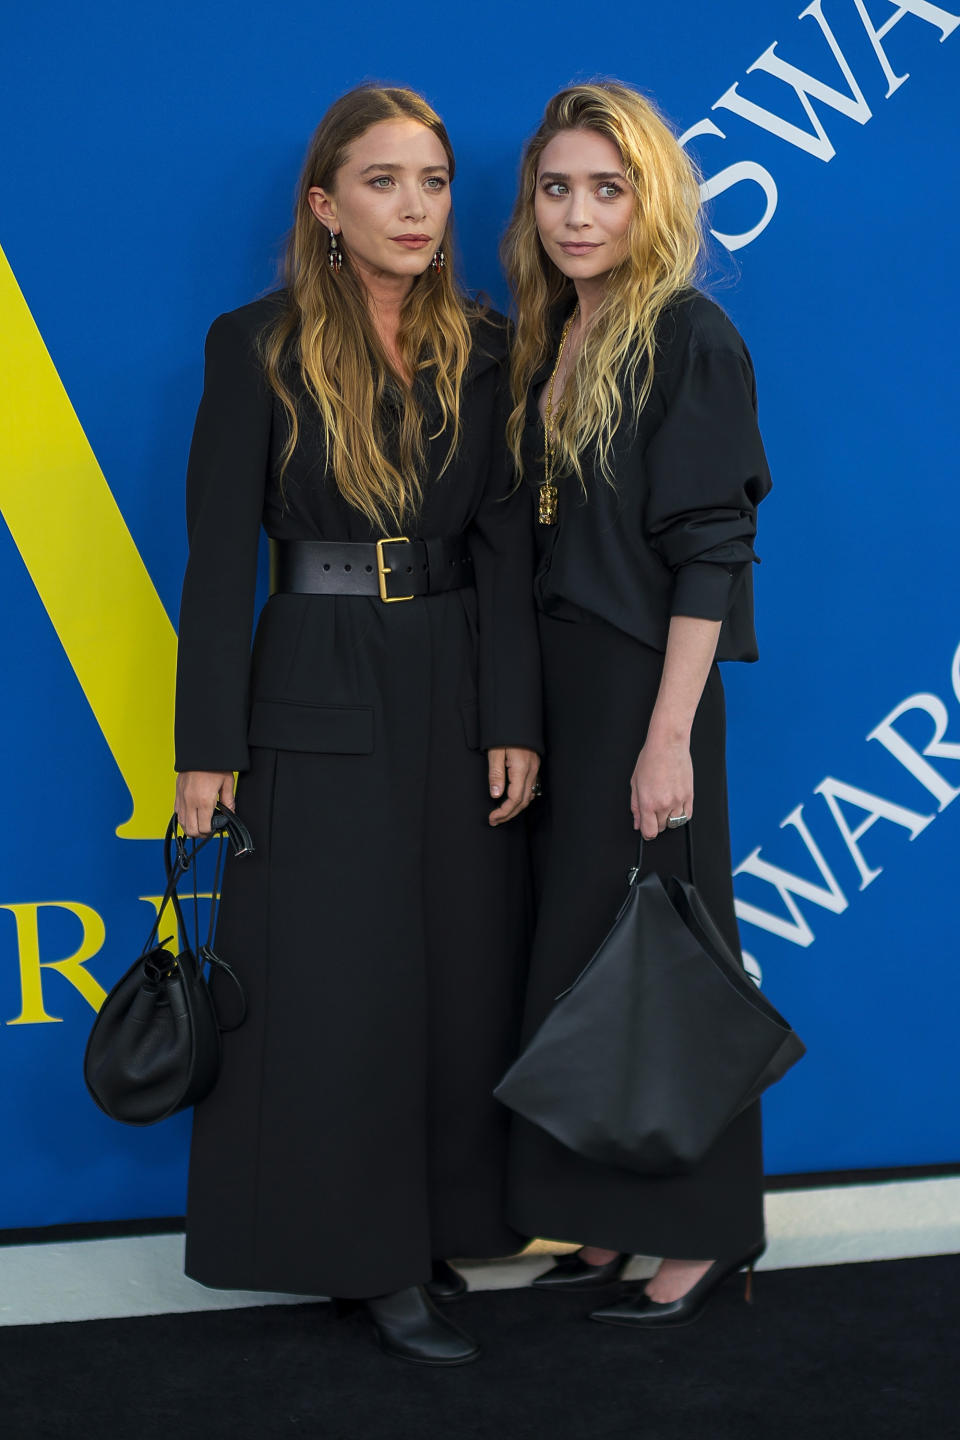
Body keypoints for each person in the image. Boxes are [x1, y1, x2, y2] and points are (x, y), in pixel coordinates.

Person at [173, 84, 542, 1366]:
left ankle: (435, 1230)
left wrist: (514, 715)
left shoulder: (489, 346)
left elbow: (502, 549)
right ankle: (361, 1255)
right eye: (383, 181)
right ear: (326, 207)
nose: (416, 207)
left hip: (451, 674)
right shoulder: (255, 344)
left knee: (454, 975)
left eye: (433, 181)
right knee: (338, 989)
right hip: (314, 675)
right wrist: (206, 750)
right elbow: (217, 558)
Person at [501, 81, 772, 1327]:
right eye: (557, 187)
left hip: (642, 688)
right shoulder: (553, 332)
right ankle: (615, 1221)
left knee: (668, 961)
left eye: (606, 188)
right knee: (584, 968)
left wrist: (669, 738)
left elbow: (712, 549)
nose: (576, 212)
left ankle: (708, 1232)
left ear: (650, 198)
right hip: (560, 684)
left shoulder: (689, 336)